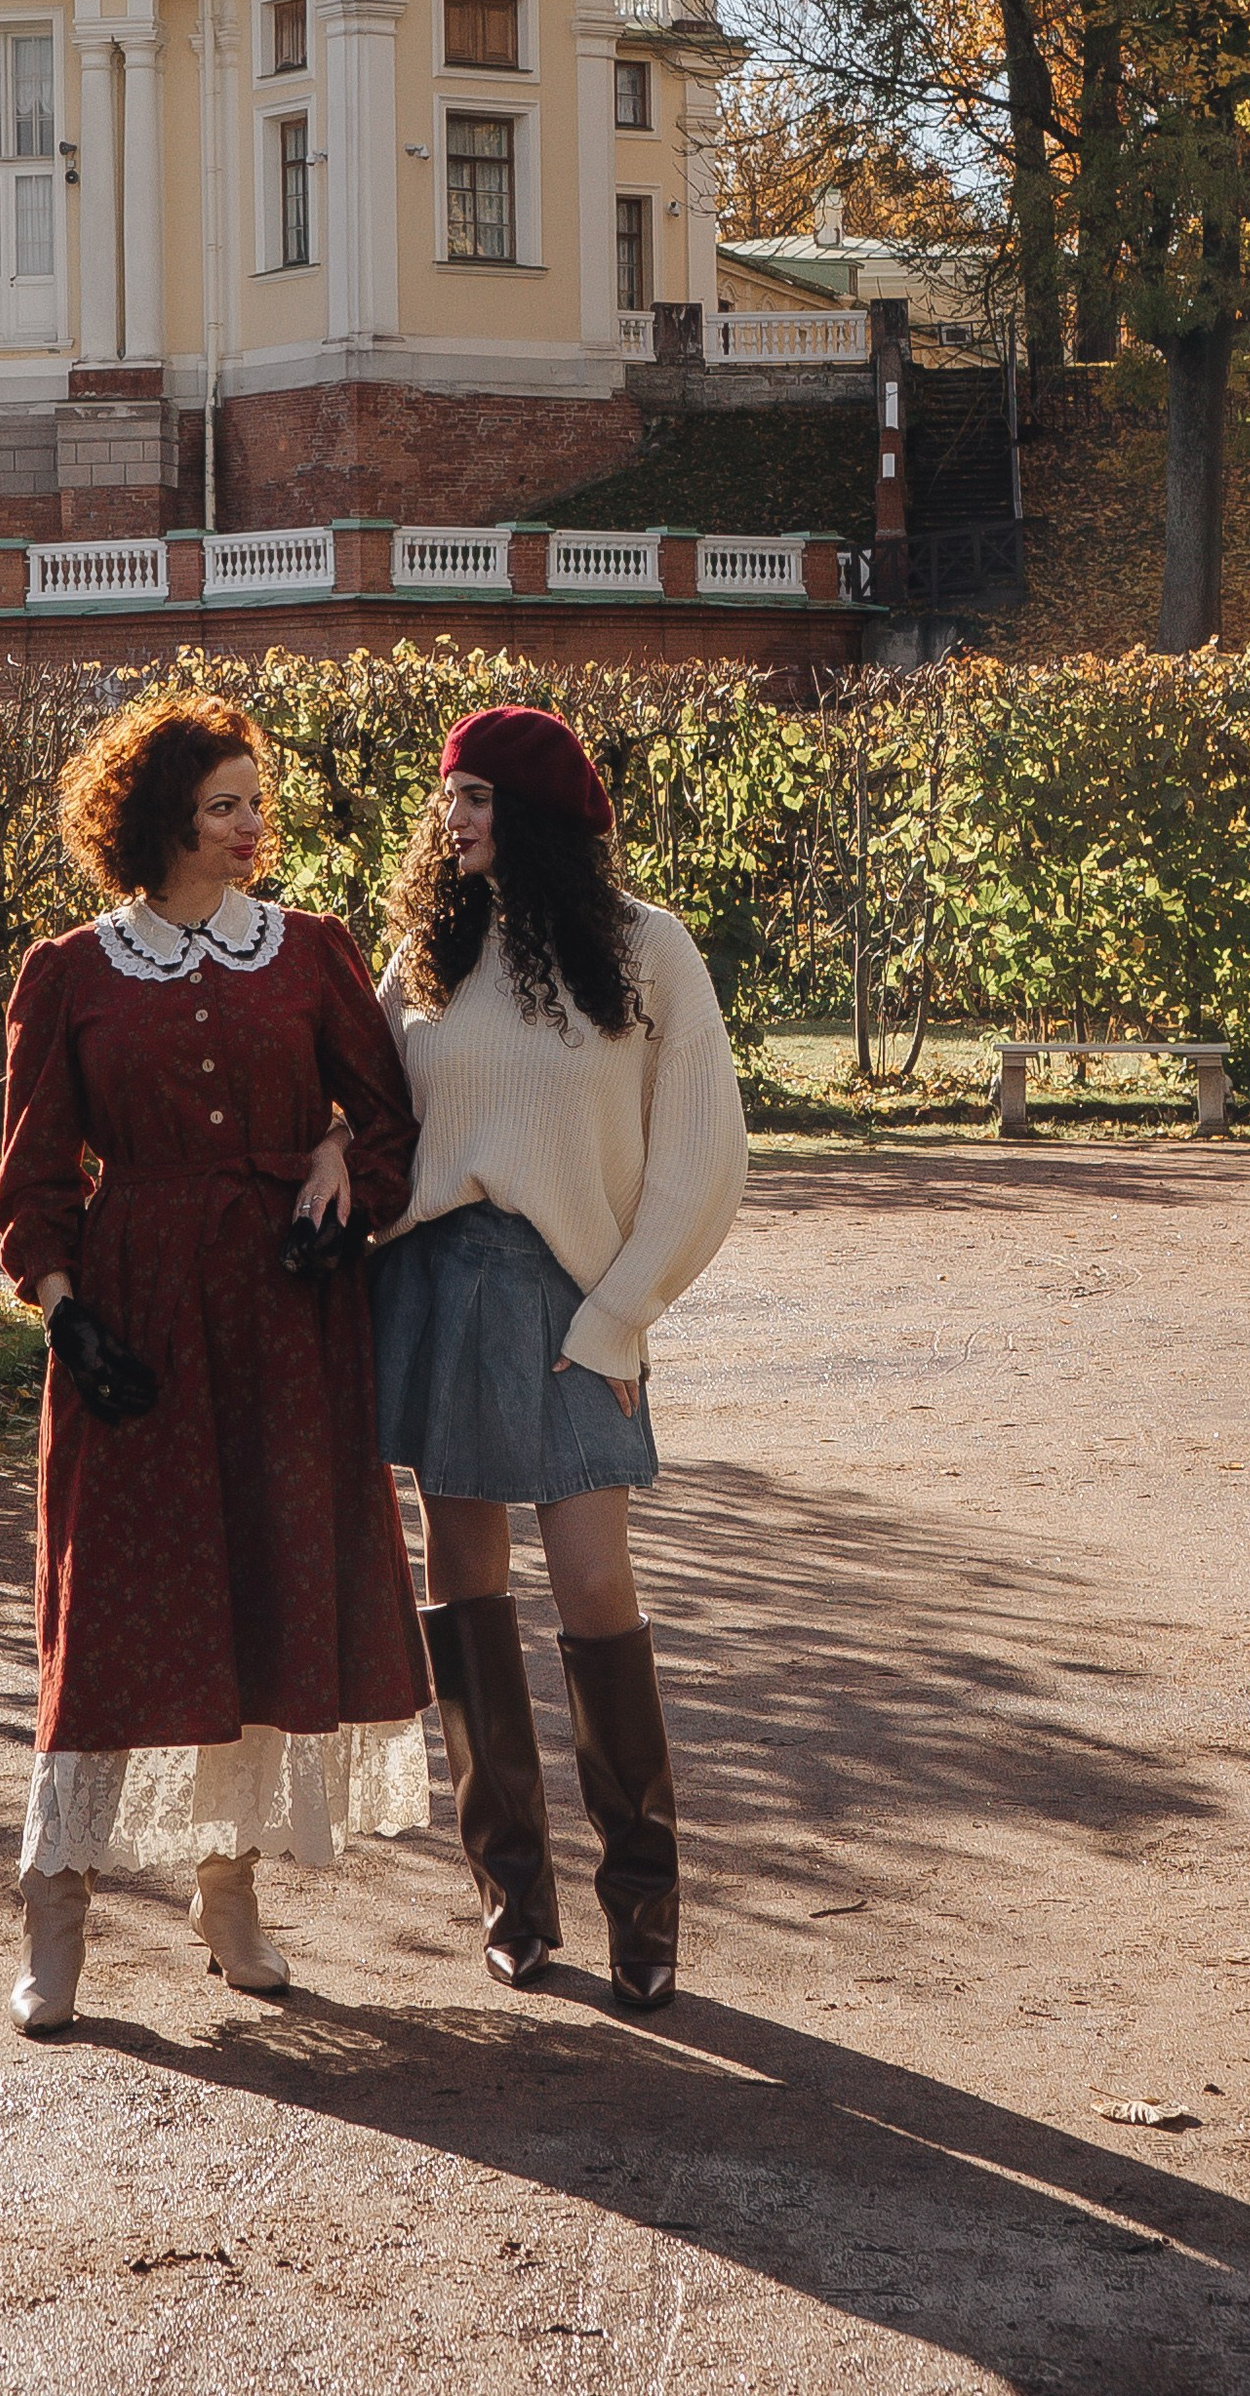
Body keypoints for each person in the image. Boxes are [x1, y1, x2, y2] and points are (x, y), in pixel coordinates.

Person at [0, 687, 431, 2036]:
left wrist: (337, 1169)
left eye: (257, 801)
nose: (253, 827)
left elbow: (392, 1121)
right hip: (132, 1314)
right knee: (113, 1605)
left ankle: (227, 1894)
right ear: (162, 818)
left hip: (286, 1323)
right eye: (225, 804)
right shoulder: (70, 970)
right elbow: (35, 1173)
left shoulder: (312, 952)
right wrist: (64, 1310)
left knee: (262, 1592)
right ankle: (53, 1908)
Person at [368, 703, 749, 2010]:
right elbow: (363, 1115)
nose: (454, 821)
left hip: (576, 1305)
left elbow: (707, 1155)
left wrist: (620, 1316)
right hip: (436, 1289)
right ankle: (512, 1896)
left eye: (475, 799)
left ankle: (644, 1908)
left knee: (594, 1582)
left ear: (533, 814)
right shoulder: (426, 955)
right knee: (463, 1579)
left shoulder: (649, 953)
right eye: (450, 800)